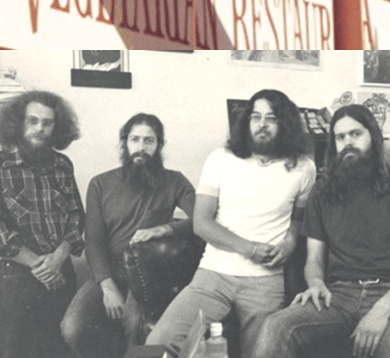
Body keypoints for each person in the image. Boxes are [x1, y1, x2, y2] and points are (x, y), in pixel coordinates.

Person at [146, 89, 316, 358]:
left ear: (285, 123)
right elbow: (201, 222)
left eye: (271, 118)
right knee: (158, 343)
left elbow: (298, 218)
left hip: (266, 280)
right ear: (246, 121)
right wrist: (249, 248)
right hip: (213, 274)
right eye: (255, 116)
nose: (261, 124)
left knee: (264, 354)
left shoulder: (304, 167)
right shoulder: (221, 159)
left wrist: (291, 240)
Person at [253, 103, 390, 358]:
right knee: (276, 326)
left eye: (356, 134)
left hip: (387, 294)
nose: (348, 142)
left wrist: (383, 310)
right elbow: (314, 258)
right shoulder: (322, 191)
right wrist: (315, 283)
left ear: (373, 134)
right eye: (340, 137)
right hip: (337, 295)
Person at [59, 113, 196, 358]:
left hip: (148, 273)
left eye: (148, 141)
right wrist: (107, 286)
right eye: (135, 139)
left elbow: (203, 219)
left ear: (159, 145)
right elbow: (94, 240)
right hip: (108, 271)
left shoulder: (175, 181)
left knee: (133, 327)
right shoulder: (100, 183)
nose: (141, 147)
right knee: (72, 328)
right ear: (125, 143)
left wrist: (166, 228)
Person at [0, 90, 85, 358]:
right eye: (32, 121)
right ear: (17, 123)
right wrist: (41, 266)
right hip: (17, 281)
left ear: (56, 127)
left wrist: (58, 258)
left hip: (61, 276)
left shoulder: (63, 165)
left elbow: (75, 217)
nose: (40, 128)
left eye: (47, 123)